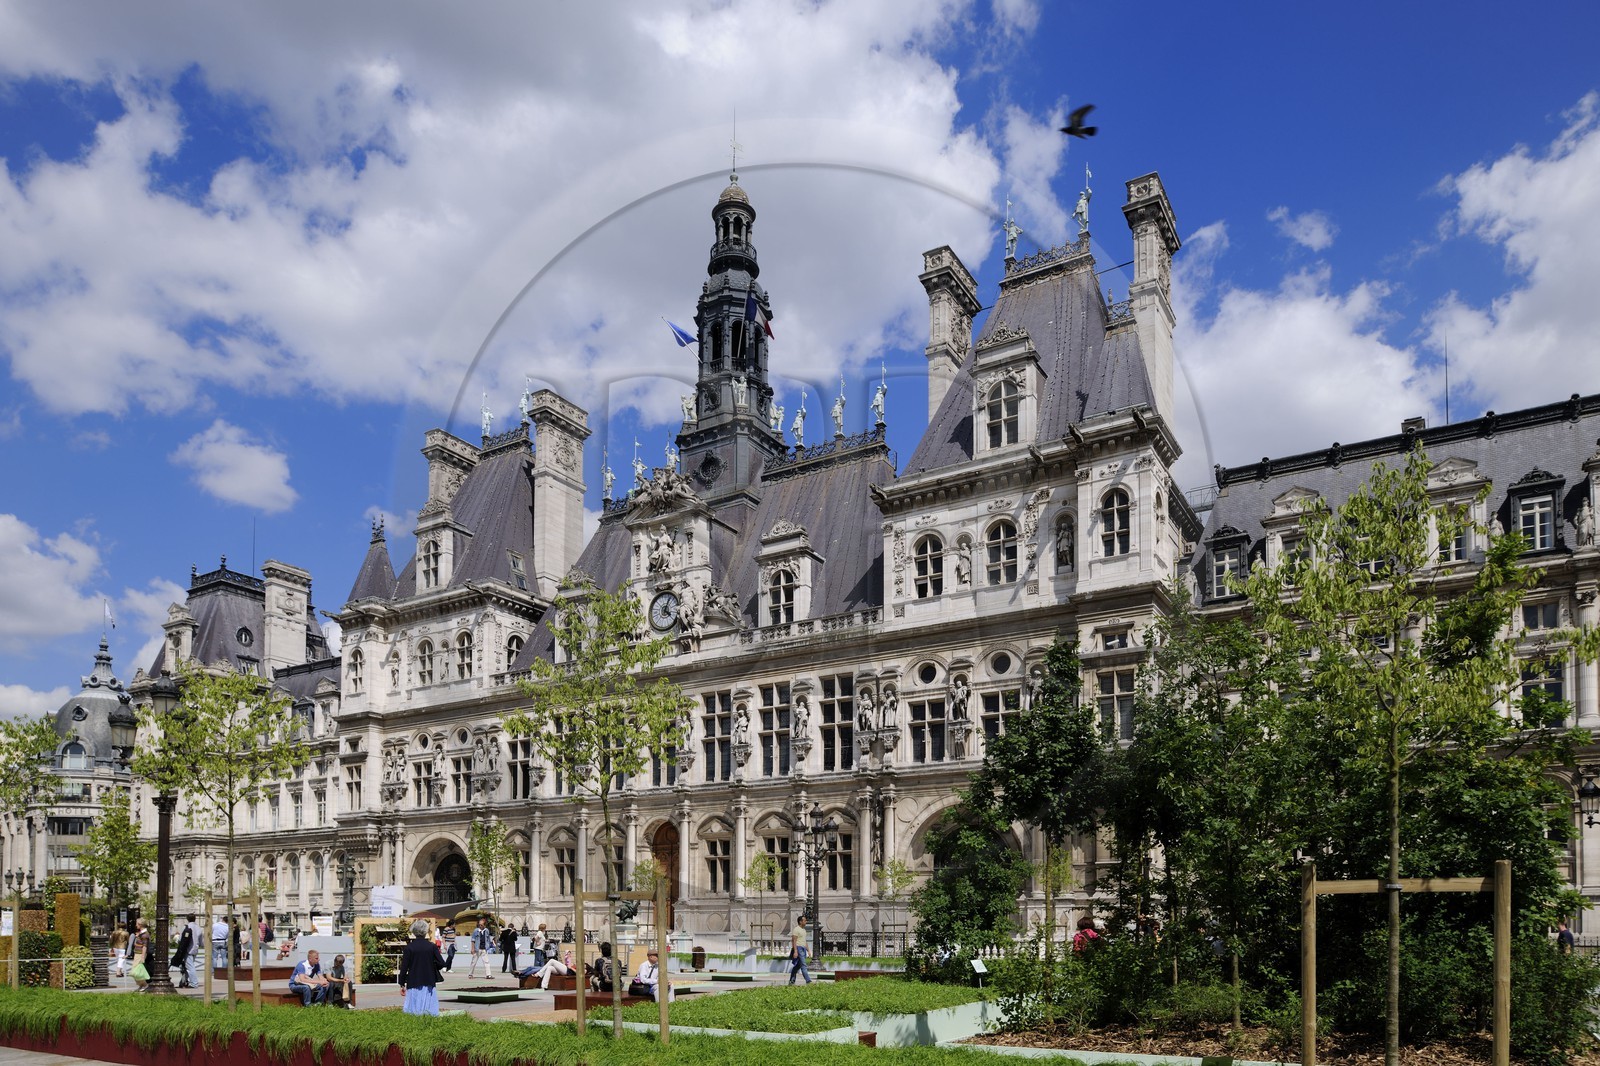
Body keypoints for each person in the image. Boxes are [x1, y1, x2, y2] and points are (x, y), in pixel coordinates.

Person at [399, 918, 446, 1016]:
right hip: (429, 980)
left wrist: (402, 983)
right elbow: (441, 963)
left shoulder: (409, 947)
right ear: (426, 931)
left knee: (413, 1010)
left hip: (413, 981)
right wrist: (433, 966)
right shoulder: (431, 946)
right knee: (429, 1009)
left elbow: (404, 967)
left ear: (414, 932)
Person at [170, 919, 194, 988]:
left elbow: (180, 940)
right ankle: (185, 981)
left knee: (189, 967)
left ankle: (192, 983)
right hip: (190, 950)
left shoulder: (187, 930)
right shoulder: (193, 929)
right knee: (187, 967)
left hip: (184, 951)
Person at [788, 914, 811, 985]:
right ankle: (808, 981)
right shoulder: (796, 929)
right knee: (804, 965)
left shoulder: (804, 930)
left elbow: (805, 941)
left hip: (803, 948)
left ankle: (792, 980)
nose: (806, 921)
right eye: (805, 920)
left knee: (798, 966)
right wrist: (795, 951)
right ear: (800, 922)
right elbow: (794, 941)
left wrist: (808, 950)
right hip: (798, 948)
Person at [130, 919, 151, 989]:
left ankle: (144, 985)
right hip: (137, 953)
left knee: (136, 971)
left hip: (139, 954)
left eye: (137, 924)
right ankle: (141, 985)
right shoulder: (141, 934)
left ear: (140, 925)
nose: (136, 925)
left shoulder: (145, 935)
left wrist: (142, 957)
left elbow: (145, 946)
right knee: (135, 971)